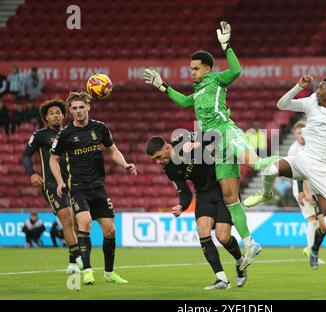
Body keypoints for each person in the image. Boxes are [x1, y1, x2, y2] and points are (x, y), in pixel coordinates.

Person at [143, 21, 280, 270]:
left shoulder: (217, 80)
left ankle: (290, 162)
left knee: (256, 162)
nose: (191, 72)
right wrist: (162, 86)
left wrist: (226, 46)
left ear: (207, 68)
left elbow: (236, 71)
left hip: (227, 131)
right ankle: (250, 243)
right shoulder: (196, 93)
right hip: (214, 145)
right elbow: (184, 102)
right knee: (230, 198)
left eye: (195, 68)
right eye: (190, 69)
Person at [244, 76, 326, 289]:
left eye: (322, 87)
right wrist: (297, 86)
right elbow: (282, 104)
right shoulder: (312, 101)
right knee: (270, 168)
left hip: (324, 171)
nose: (318, 89)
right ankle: (265, 194)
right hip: (304, 160)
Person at [50, 91, 136, 285]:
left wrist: (125, 165)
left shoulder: (100, 128)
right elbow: (53, 160)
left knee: (110, 231)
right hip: (78, 187)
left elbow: (113, 150)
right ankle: (87, 270)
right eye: (75, 108)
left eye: (82, 107)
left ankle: (109, 273)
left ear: (88, 107)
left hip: (98, 186)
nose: (79, 111)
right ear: (70, 111)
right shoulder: (65, 134)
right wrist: (60, 181)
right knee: (85, 222)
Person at [146, 133, 247, 289]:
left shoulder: (182, 140)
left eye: (159, 157)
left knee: (222, 237)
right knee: (203, 232)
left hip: (223, 188)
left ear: (167, 147)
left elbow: (217, 136)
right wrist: (181, 205)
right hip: (203, 194)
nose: (159, 162)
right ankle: (221, 279)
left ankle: (240, 262)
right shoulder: (170, 169)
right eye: (155, 160)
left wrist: (198, 142)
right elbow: (184, 192)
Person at [22, 98, 83, 273]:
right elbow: (25, 156)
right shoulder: (40, 135)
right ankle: (80, 259)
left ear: (64, 116)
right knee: (68, 220)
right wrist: (32, 173)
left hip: (73, 183)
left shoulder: (71, 133)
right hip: (51, 185)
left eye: (58, 113)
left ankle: (72, 264)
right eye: (52, 114)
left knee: (78, 224)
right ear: (46, 118)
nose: (56, 116)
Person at [287, 121, 325, 264]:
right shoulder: (294, 150)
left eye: (303, 132)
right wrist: (303, 192)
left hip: (313, 188)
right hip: (302, 190)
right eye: (298, 133)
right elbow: (295, 173)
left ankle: (311, 250)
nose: (302, 135)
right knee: (312, 220)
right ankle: (311, 251)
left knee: (316, 220)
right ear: (294, 134)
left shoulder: (309, 147)